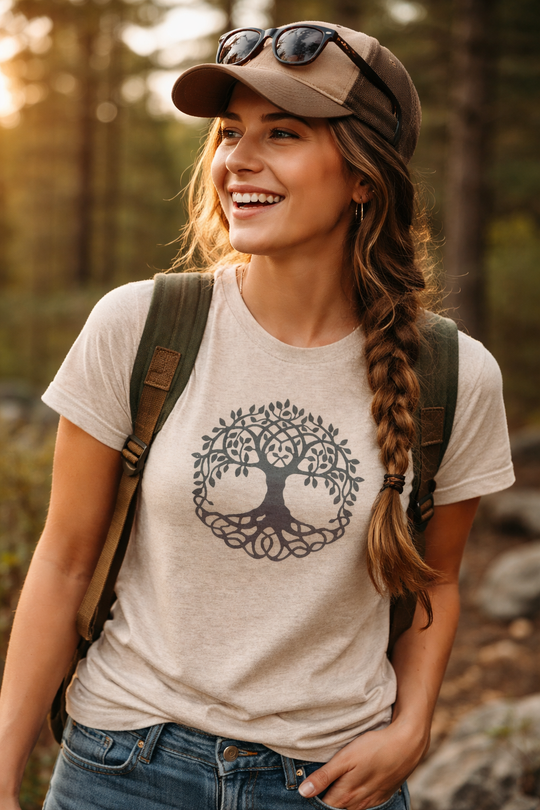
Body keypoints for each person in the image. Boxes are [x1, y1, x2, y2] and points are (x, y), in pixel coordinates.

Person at [0, 21, 514, 810]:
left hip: (333, 783)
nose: (238, 158)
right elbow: (64, 559)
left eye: (283, 133)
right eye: (230, 132)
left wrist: (413, 728)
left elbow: (438, 578)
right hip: (123, 766)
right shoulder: (141, 326)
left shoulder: (452, 374)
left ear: (363, 178)